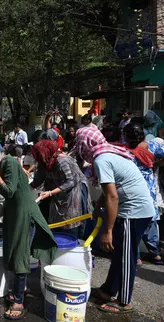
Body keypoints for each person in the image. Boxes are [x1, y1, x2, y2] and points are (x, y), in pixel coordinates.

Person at [0, 143, 56, 320]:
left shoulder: (8, 163)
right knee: (11, 250)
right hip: (13, 212)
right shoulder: (2, 164)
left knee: (19, 254)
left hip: (24, 212)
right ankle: (20, 287)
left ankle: (19, 301)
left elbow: (9, 191)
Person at [74, 126, 154, 313]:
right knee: (119, 254)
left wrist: (107, 231)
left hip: (133, 212)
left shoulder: (101, 159)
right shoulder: (108, 153)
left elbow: (112, 196)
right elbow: (113, 188)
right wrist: (98, 206)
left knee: (126, 257)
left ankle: (124, 301)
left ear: (86, 144)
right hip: (133, 209)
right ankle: (107, 290)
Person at [122, 123, 164, 265]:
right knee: (150, 219)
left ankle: (137, 257)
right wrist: (155, 164)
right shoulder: (152, 146)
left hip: (134, 188)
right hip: (150, 187)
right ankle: (155, 254)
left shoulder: (126, 151)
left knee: (135, 220)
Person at [31, 141, 91, 239]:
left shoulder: (61, 161)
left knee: (70, 217)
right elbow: (37, 181)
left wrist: (50, 193)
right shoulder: (45, 162)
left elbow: (70, 182)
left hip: (73, 192)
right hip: (57, 191)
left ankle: (72, 240)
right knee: (55, 218)